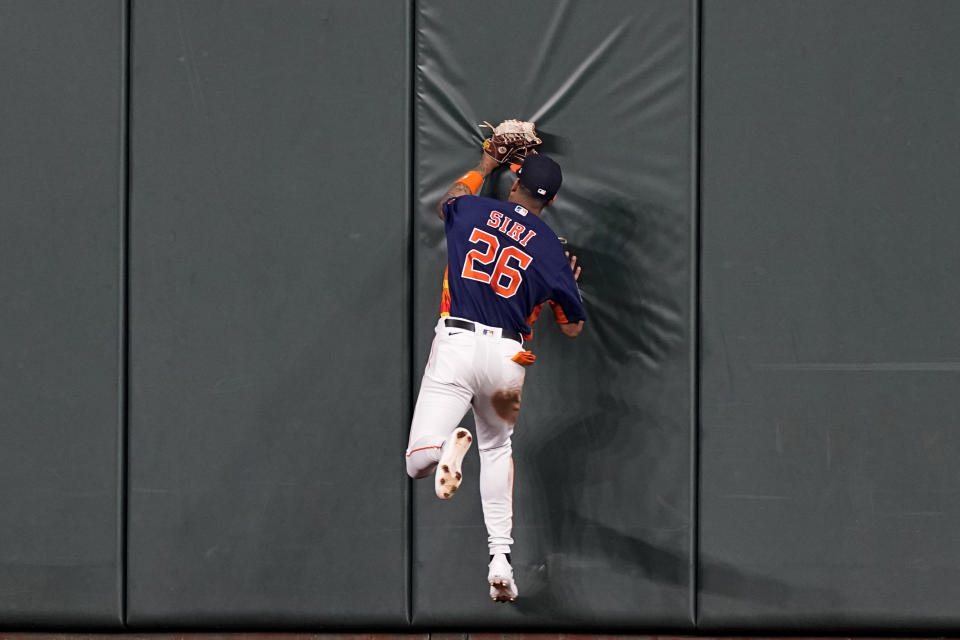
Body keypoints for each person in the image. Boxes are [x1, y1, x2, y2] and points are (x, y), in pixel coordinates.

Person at [404, 149, 586, 603]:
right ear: (554, 200)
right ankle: (500, 560)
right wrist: (569, 283)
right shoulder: (550, 250)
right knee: (498, 448)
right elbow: (572, 326)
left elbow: (450, 197)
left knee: (417, 463)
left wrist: (485, 165)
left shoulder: (472, 209)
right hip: (509, 356)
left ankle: (445, 446)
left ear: (514, 180)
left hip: (458, 340)